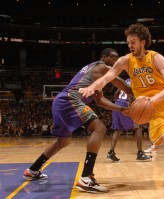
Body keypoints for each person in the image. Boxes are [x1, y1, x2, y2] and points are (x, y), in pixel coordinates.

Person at [79, 23, 164, 187]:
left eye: (133, 42)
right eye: (128, 42)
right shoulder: (125, 61)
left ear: (143, 41)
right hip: (153, 111)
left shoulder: (156, 58)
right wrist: (92, 87)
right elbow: (108, 77)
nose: (130, 45)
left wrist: (152, 99)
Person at [23, 48, 132, 193]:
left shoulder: (95, 74)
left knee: (63, 141)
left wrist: (120, 109)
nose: (116, 61)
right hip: (70, 100)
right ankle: (86, 177)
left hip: (60, 102)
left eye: (117, 58)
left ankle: (33, 170)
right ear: (104, 57)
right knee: (99, 128)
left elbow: (100, 101)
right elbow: (125, 86)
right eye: (113, 58)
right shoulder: (102, 67)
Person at [107, 78, 152, 161]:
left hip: (117, 105)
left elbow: (116, 93)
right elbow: (131, 96)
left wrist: (118, 102)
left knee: (117, 130)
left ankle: (111, 152)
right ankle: (140, 153)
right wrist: (132, 106)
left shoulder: (126, 80)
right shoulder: (138, 80)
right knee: (138, 127)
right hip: (126, 105)